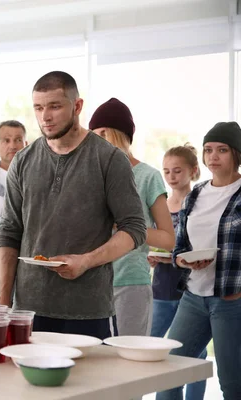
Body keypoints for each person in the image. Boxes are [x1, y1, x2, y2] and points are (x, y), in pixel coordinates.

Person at [0, 71, 146, 339]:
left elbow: (134, 229)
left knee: (94, 382)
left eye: (55, 106)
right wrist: (3, 302)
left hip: (89, 311)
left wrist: (86, 261)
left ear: (77, 106)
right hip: (28, 310)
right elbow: (9, 230)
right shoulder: (22, 161)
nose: (45, 117)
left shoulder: (109, 159)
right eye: (39, 108)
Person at [157, 122, 241, 400]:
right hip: (193, 297)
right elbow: (180, 246)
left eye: (222, 150)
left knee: (233, 386)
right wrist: (183, 261)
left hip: (231, 300)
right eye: (208, 150)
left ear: (236, 154)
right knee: (168, 376)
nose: (213, 156)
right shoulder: (196, 194)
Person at [88, 98, 175, 336]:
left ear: (122, 135)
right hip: (91, 284)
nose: (98, 140)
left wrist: (129, 227)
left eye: (104, 133)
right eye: (93, 134)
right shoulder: (91, 176)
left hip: (130, 284)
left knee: (129, 361)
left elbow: (168, 239)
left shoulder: (148, 176)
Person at [148, 144, 206, 400]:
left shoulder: (201, 202)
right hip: (162, 286)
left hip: (192, 287)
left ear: (193, 171)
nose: (171, 176)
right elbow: (158, 240)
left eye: (177, 170)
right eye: (167, 171)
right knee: (153, 341)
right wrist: (152, 256)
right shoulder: (161, 204)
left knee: (195, 353)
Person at [0, 120, 27, 304]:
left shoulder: (35, 179)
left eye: (18, 140)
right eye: (6, 140)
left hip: (26, 270)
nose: (13, 145)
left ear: (26, 144)